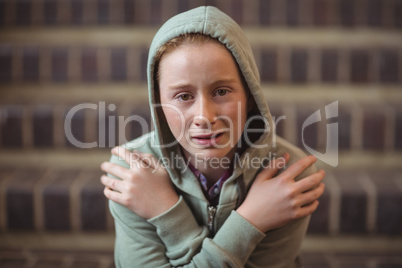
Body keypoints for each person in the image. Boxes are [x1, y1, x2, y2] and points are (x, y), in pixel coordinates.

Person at [100, 6, 325, 268]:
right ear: (158, 104)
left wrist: (167, 214)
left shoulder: (287, 177)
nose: (204, 116)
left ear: (250, 95)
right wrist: (250, 223)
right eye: (183, 96)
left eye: (221, 91)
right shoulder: (135, 172)